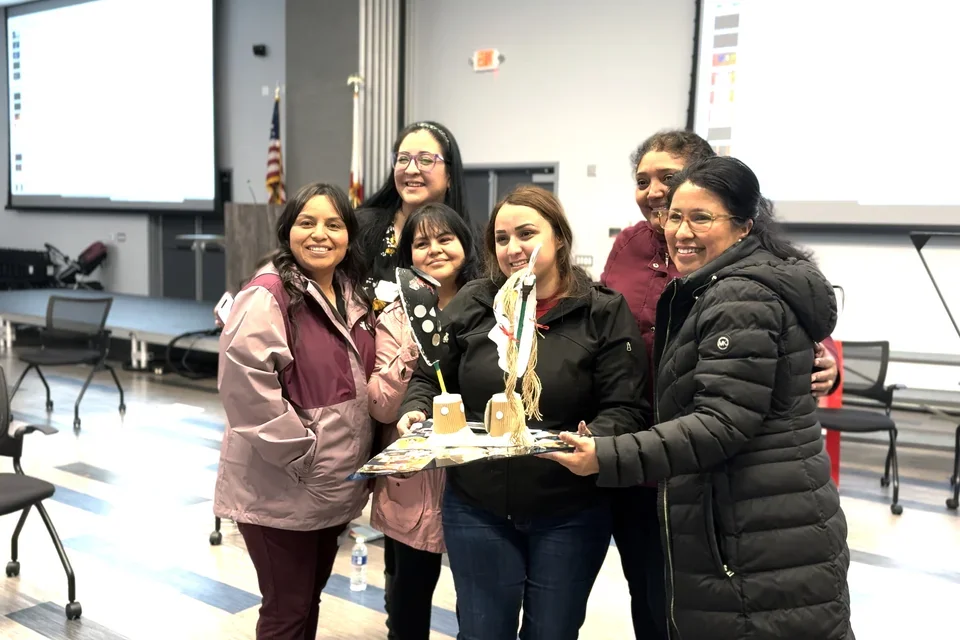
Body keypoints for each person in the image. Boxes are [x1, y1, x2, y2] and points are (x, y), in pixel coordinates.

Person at [548, 156, 854, 640]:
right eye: (675, 216)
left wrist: (604, 456)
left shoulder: (739, 296)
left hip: (749, 518)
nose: (681, 231)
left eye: (701, 217)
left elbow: (721, 423)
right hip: (743, 506)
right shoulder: (724, 283)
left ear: (744, 226)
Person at [397, 185, 650, 640]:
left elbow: (626, 406)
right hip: (478, 506)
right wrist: (417, 409)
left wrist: (594, 442)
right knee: (481, 631)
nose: (513, 248)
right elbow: (428, 374)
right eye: (501, 237)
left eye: (527, 233)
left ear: (560, 238)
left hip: (570, 508)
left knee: (552, 632)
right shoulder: (475, 303)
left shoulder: (602, 311)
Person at [213, 183, 376, 640]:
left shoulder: (352, 294)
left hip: (331, 485)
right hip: (281, 486)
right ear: (288, 231)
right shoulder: (268, 295)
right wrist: (302, 456)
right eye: (307, 222)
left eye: (333, 224)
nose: (319, 234)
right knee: (286, 611)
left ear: (349, 235)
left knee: (307, 601)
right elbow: (247, 390)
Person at [367, 203, 481, 640]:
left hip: (474, 483)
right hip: (411, 485)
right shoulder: (394, 315)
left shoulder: (493, 306)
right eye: (421, 242)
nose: (434, 249)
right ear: (408, 254)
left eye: (445, 238)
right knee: (407, 601)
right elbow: (379, 405)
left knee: (475, 601)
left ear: (465, 244)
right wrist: (420, 345)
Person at [357, 120, 471, 313]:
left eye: (425, 160)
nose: (410, 169)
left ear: (450, 176)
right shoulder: (361, 228)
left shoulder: (470, 241)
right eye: (403, 159)